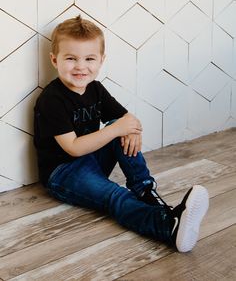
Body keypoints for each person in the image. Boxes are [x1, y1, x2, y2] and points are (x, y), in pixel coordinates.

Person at [33, 15, 209, 253]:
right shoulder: (52, 99)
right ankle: (167, 226)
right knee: (115, 195)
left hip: (91, 159)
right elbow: (73, 147)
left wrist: (130, 129)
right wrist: (118, 128)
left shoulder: (95, 88)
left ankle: (145, 190)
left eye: (89, 58)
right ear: (55, 60)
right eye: (71, 58)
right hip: (63, 172)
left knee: (120, 125)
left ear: (101, 60)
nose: (81, 66)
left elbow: (127, 119)